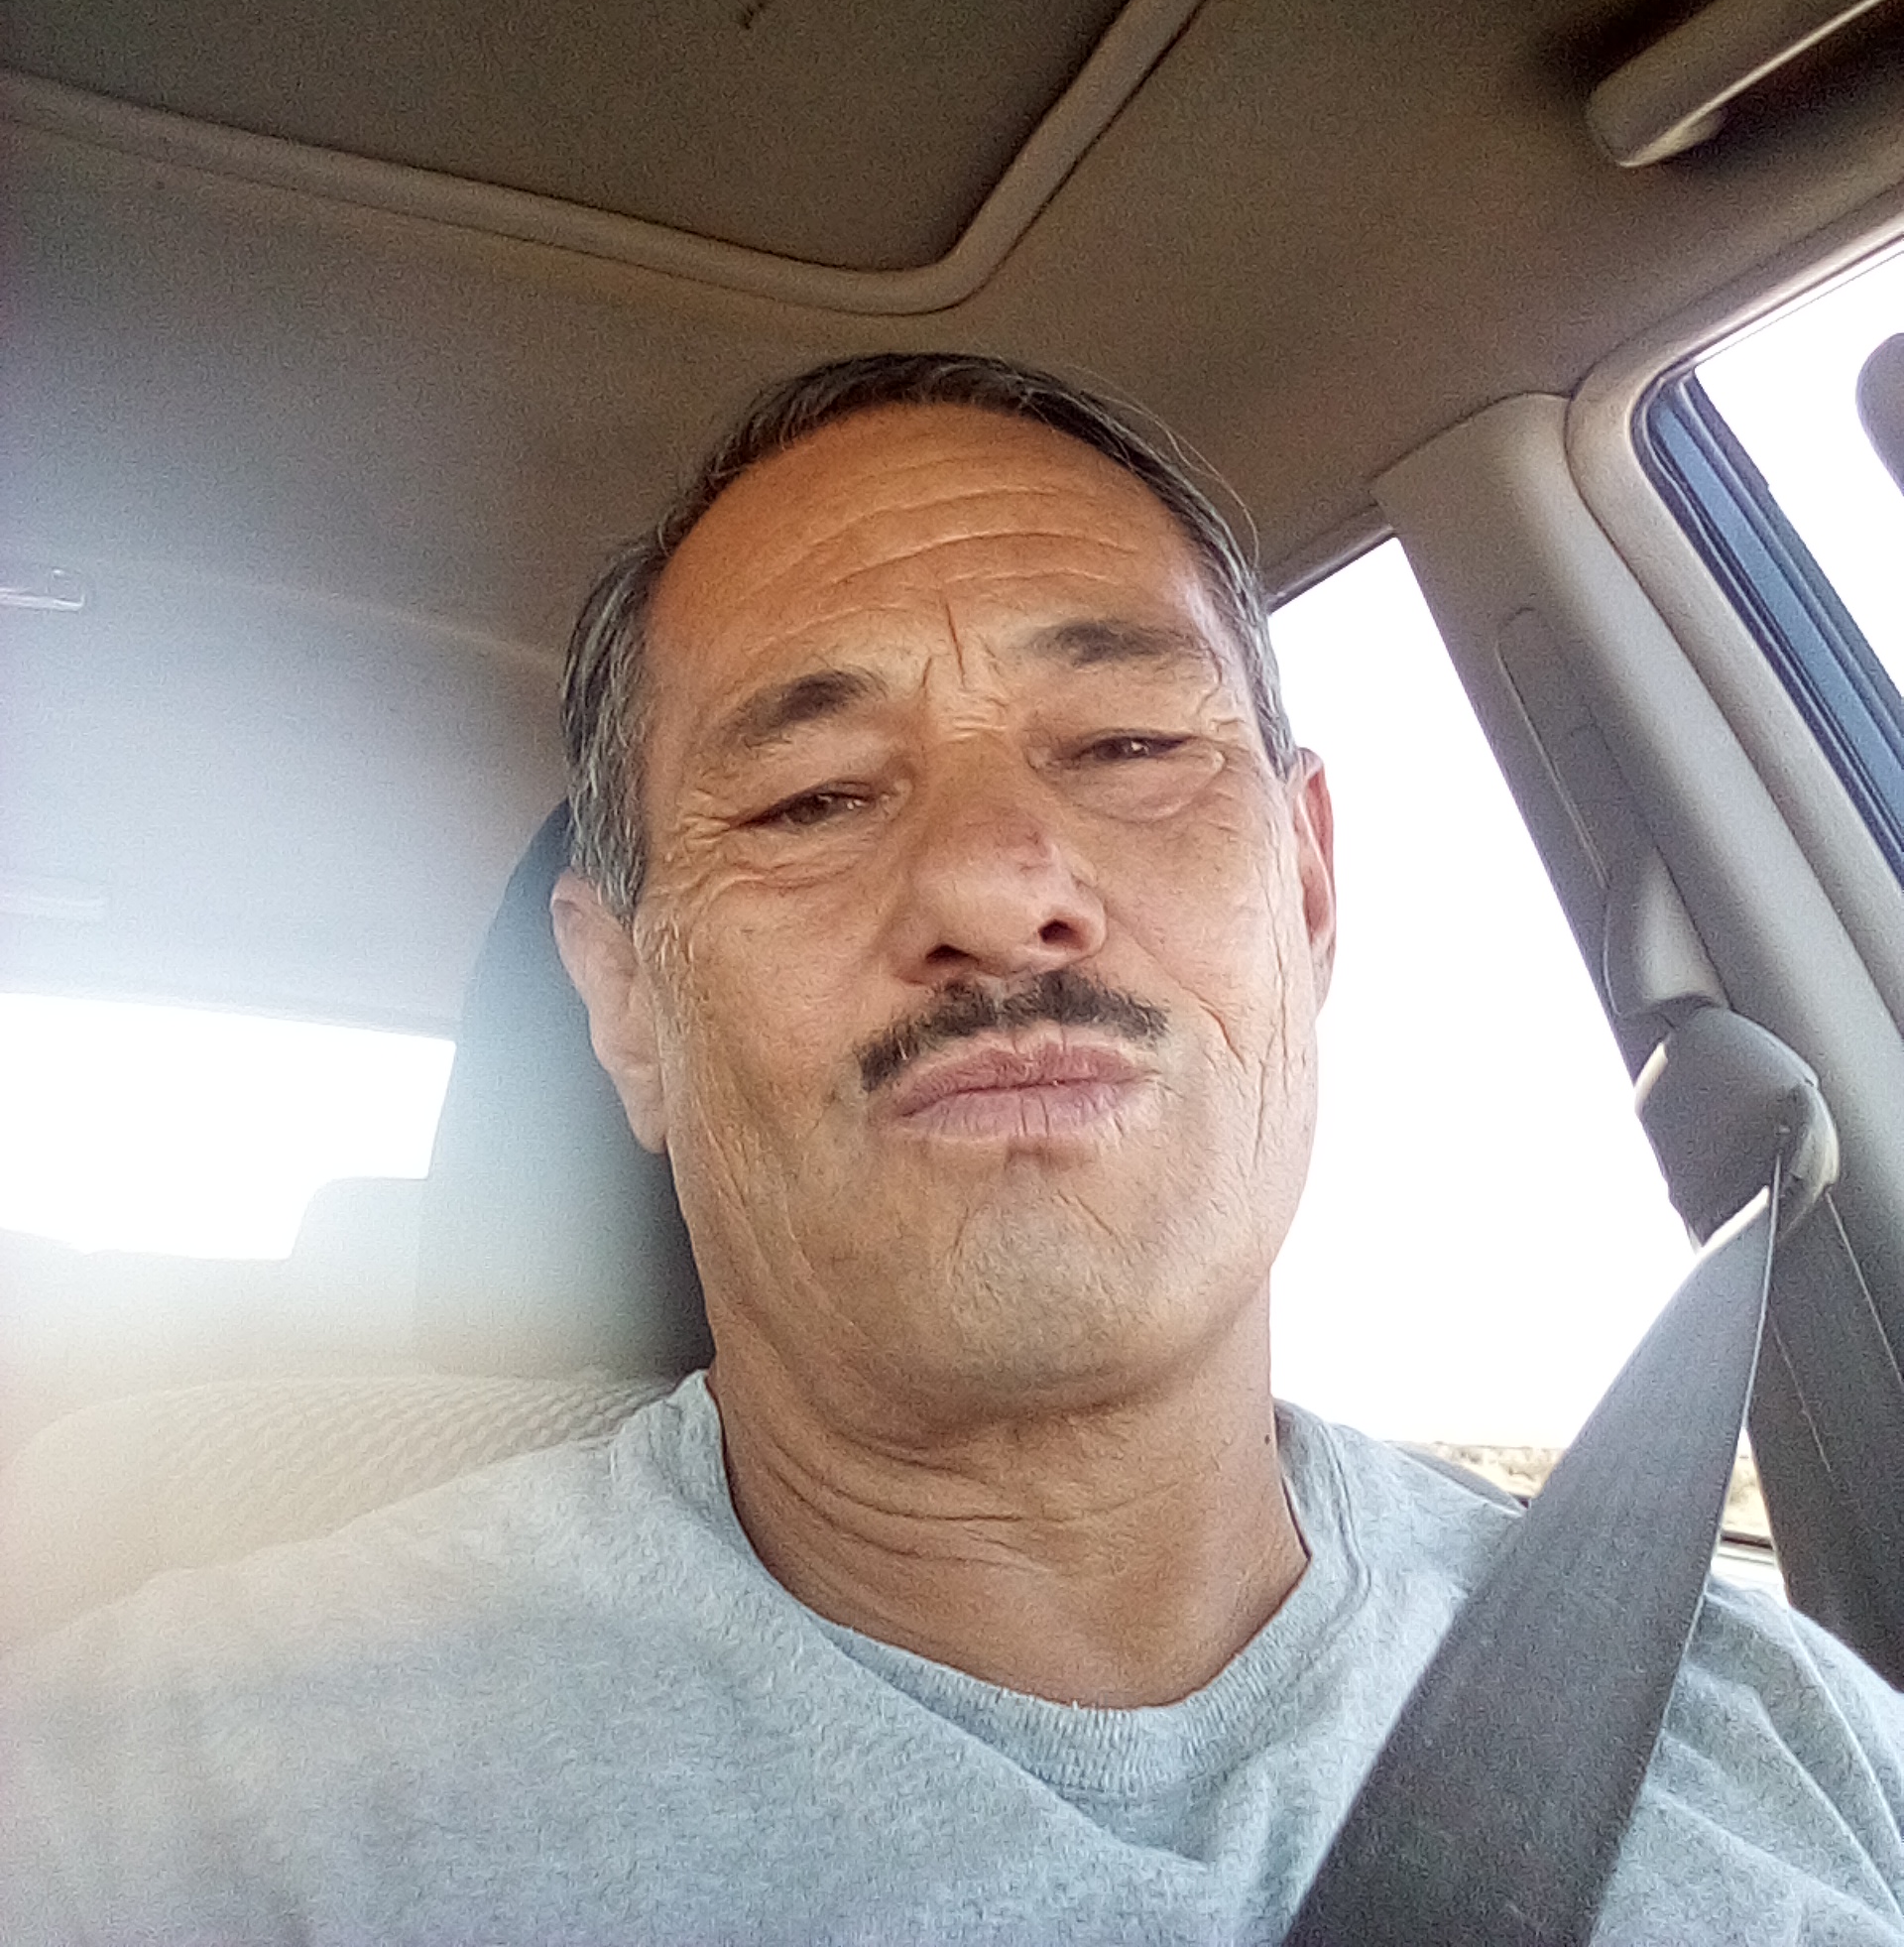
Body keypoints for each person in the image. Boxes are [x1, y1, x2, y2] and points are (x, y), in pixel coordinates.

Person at [5, 351, 1903, 1945]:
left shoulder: (1803, 1749)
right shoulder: (167, 1807)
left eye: (1133, 746)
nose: (1002, 887)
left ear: (1311, 893)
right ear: (629, 1009)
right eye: (817, 795)